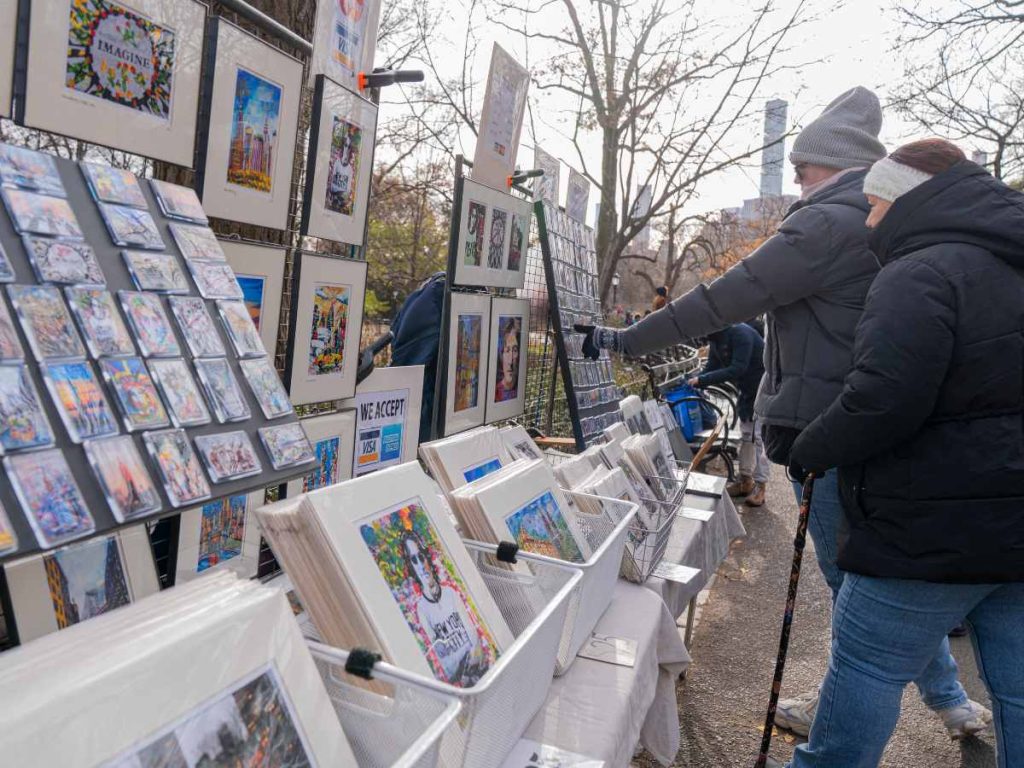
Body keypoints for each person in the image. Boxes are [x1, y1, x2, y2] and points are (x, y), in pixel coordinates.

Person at [575, 86, 987, 738]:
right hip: (877, 421)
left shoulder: (827, 221)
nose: (796, 176)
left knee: (855, 583)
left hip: (823, 428)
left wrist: (624, 340)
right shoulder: (894, 222)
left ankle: (848, 710)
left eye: (804, 165)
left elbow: (722, 299)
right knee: (873, 575)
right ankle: (950, 701)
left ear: (841, 164)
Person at [778, 139, 1024, 765]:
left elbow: (884, 398)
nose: (868, 221)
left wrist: (809, 447)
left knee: (866, 666)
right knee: (1018, 691)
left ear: (909, 200)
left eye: (876, 204)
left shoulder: (919, 272)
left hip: (930, 525)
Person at [687, 323, 769, 506]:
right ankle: (745, 481)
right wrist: (695, 380)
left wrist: (702, 379)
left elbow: (737, 368)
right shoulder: (716, 339)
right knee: (746, 436)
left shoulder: (740, 334)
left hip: (763, 389)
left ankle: (761, 487)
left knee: (759, 438)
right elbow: (712, 365)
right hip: (746, 391)